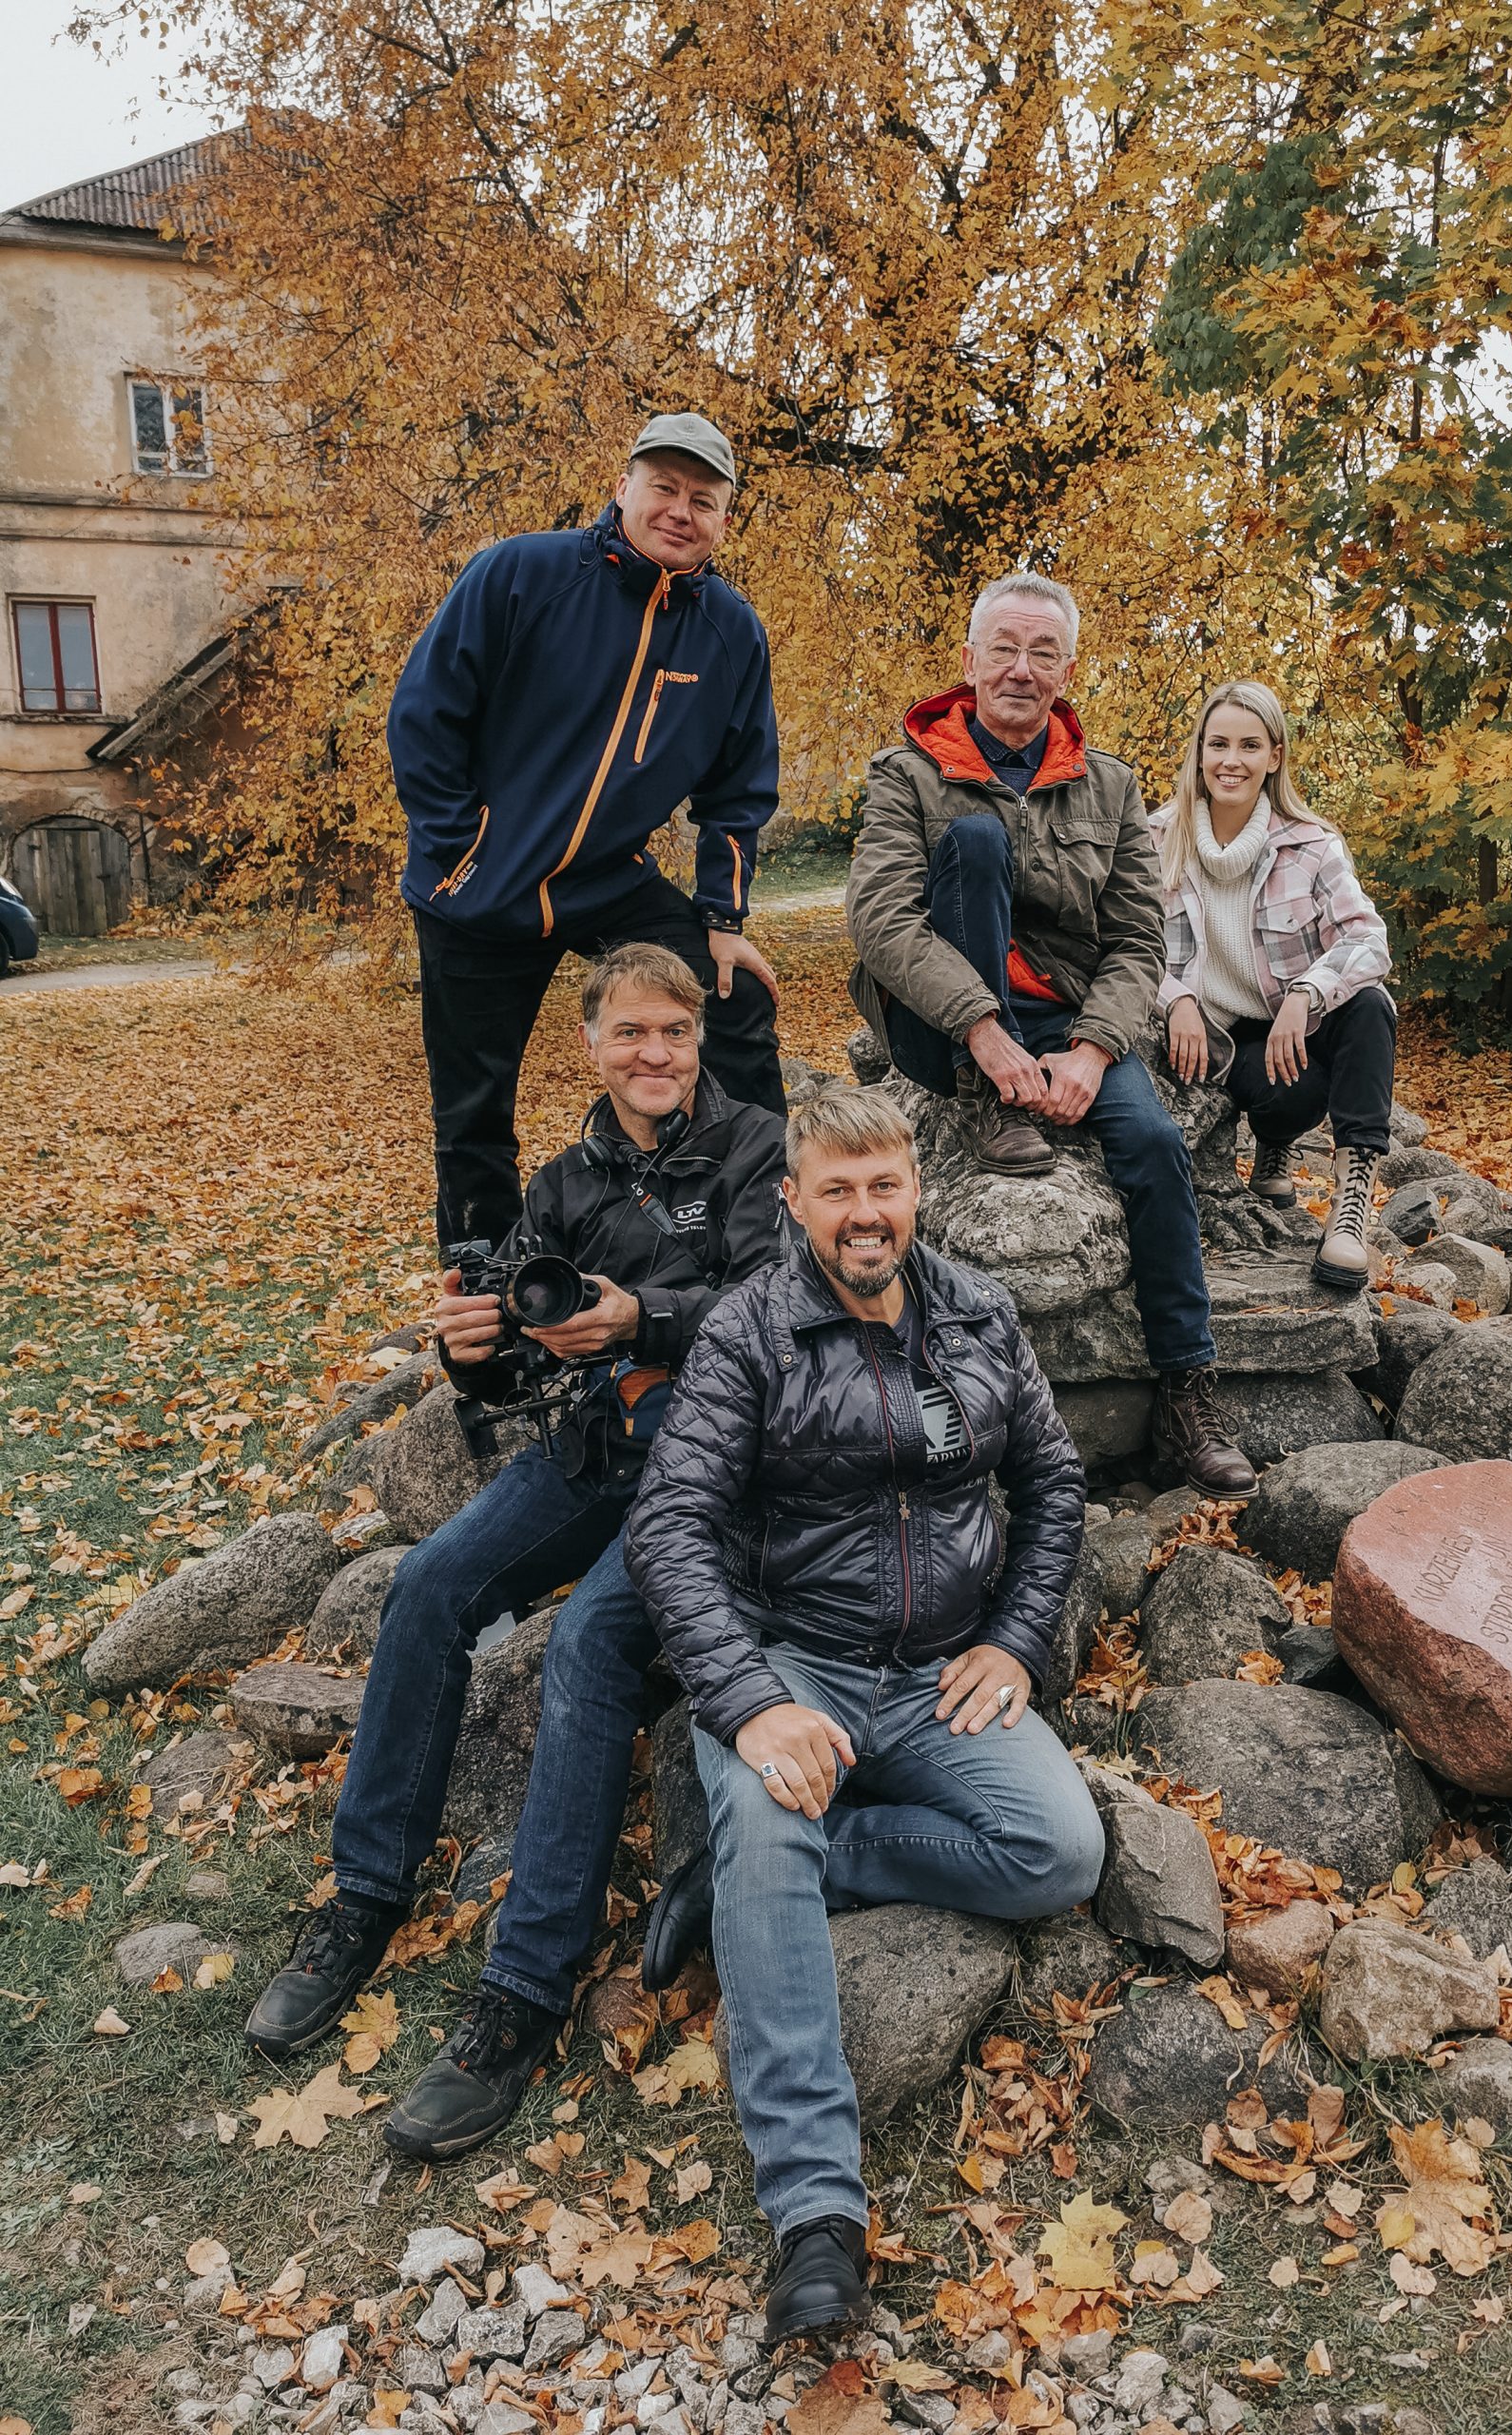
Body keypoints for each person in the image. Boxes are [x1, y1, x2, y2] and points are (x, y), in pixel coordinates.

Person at [243, 945, 787, 2161]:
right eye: (633, 1033)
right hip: (592, 1449)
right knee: (430, 1582)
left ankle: (524, 1990)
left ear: (700, 1040)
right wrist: (472, 1342)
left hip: (711, 1463)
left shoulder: (755, 1147)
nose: (657, 1054)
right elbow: (519, 1367)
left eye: (677, 1033)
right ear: (590, 1044)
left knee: (593, 1636)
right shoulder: (562, 1181)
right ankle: (365, 1898)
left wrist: (644, 1316)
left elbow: (776, 1309)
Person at [623, 1087, 1104, 2343]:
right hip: (802, 1666)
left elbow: (1053, 1480)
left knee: (1062, 1849)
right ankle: (817, 2220)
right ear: (793, 1200)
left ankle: (756, 1876)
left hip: (947, 1672)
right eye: (835, 1189)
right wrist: (748, 1704)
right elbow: (668, 1530)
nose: (864, 1213)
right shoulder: (748, 1333)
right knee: (772, 1819)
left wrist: (1017, 1639)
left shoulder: (980, 1313)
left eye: (882, 1184)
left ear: (917, 1188)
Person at [844, 572, 1256, 1498]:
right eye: (1004, 649)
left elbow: (1137, 938)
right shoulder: (905, 773)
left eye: (1042, 653)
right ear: (970, 660)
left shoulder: (1109, 787)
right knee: (979, 845)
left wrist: (1097, 1047)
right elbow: (881, 920)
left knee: (1152, 1143)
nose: (1020, 670)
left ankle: (1189, 1397)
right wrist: (982, 1036)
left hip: (1066, 1015)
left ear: (1068, 669)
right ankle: (985, 1098)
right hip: (940, 1019)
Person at [389, 410, 787, 1254]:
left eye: (703, 499)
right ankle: (491, 1303)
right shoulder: (521, 574)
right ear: (624, 488)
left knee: (733, 997)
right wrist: (463, 848)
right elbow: (424, 717)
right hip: (476, 890)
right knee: (473, 1113)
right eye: (665, 488)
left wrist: (722, 919)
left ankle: (759, 1227)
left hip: (606, 880)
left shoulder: (731, 633)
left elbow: (740, 787)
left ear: (723, 519)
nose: (681, 510)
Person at [1153, 680, 1394, 1291]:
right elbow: (1119, 942)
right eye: (1218, 744)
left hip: (1294, 1025)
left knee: (1369, 1004)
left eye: (1249, 745)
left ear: (1275, 756)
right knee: (1280, 1092)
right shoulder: (1156, 841)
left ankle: (1350, 1207)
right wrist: (1175, 997)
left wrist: (1306, 993)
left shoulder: (1312, 845)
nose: (1231, 761)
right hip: (1216, 1042)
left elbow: (1368, 939)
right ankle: (1275, 1135)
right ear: (1199, 752)